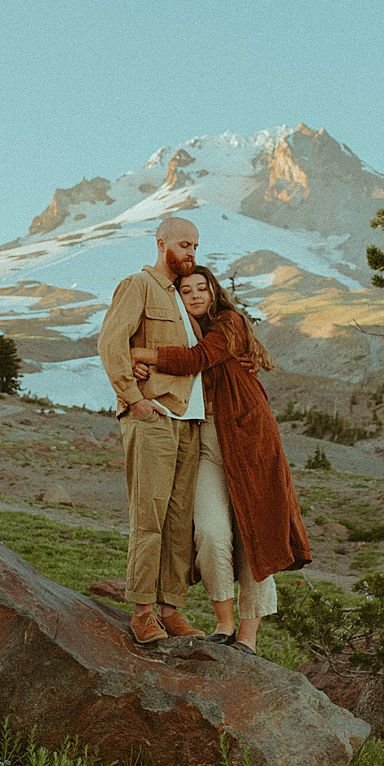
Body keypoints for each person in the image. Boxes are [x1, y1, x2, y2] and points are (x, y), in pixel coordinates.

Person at [131, 265, 310, 654]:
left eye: (202, 288)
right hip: (205, 436)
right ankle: (223, 622)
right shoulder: (180, 327)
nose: (195, 295)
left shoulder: (228, 322)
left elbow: (197, 359)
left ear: (214, 294)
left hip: (248, 434)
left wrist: (137, 352)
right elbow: (182, 361)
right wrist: (141, 366)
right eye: (187, 289)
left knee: (255, 534)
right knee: (210, 532)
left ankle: (247, 635)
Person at [97, 216, 207, 645]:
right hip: (155, 418)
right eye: (184, 244)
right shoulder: (137, 286)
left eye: (195, 245)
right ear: (161, 244)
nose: (191, 252)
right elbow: (111, 342)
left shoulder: (183, 297)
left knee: (180, 523)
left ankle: (171, 610)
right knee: (150, 518)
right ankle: (143, 612)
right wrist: (132, 396)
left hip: (190, 424)